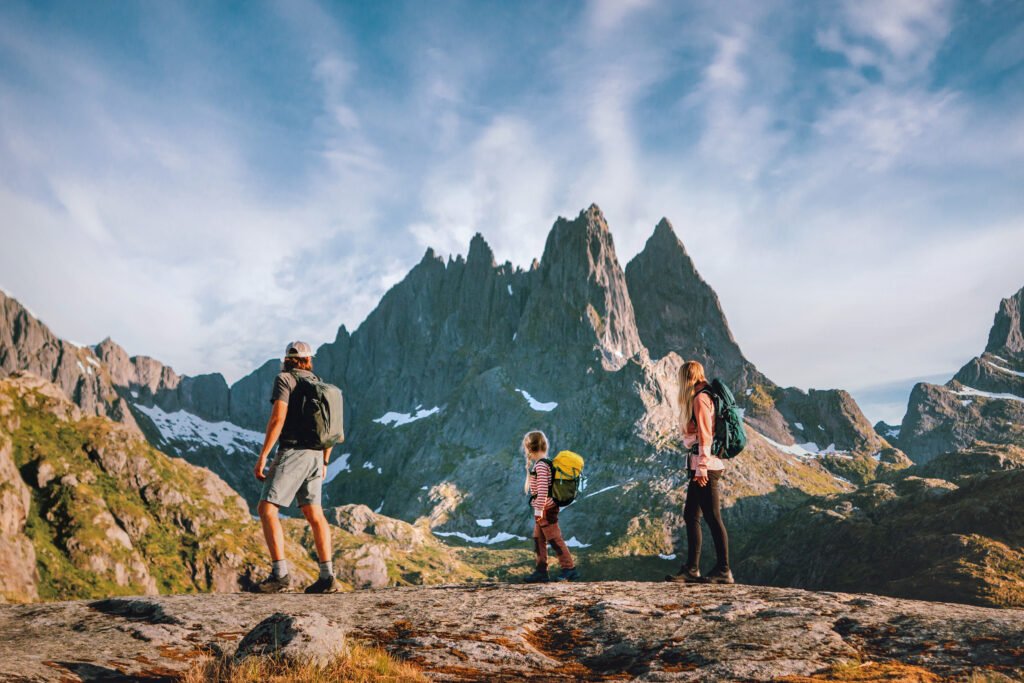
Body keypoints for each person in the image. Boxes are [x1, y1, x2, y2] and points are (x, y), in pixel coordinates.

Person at [252, 341, 341, 593]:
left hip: (293, 452)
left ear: (287, 359)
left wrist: (263, 457)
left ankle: (279, 576)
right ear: (308, 359)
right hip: (316, 455)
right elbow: (331, 427)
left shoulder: (284, 380)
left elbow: (278, 418)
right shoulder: (319, 383)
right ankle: (327, 577)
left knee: (266, 508)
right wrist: (324, 460)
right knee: (315, 515)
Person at [667, 360, 734, 584]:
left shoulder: (701, 398)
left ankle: (723, 569)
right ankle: (692, 568)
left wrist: (702, 467)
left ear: (687, 378)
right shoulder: (702, 396)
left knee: (713, 517)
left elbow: (706, 434)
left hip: (706, 467)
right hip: (700, 465)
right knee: (691, 515)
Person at [522, 430, 580, 583]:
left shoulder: (541, 466)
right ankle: (541, 571)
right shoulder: (545, 463)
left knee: (554, 539)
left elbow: (542, 491)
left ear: (529, 447)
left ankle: (569, 569)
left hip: (545, 510)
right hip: (546, 508)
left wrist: (539, 510)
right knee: (538, 539)